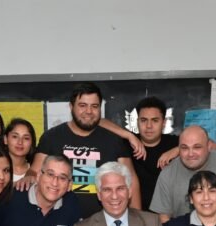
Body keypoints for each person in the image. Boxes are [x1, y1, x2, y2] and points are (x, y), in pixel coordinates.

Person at [27, 82, 142, 217]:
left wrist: (137, 219)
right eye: (82, 105)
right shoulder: (52, 137)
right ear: (71, 106)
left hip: (102, 225)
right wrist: (28, 176)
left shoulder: (114, 140)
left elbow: (131, 180)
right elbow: (35, 171)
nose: (88, 111)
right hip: (58, 221)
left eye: (94, 106)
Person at [150, 125, 216, 222]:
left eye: (197, 147)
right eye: (184, 148)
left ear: (208, 146)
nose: (190, 154)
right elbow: (163, 217)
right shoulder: (168, 174)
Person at [130, 96, 179, 210]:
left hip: (168, 215)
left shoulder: (174, 142)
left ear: (164, 122)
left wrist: (178, 149)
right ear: (137, 122)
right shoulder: (128, 143)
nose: (149, 126)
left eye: (155, 120)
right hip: (136, 216)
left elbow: (210, 145)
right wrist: (128, 135)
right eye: (143, 120)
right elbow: (100, 122)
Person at [4, 117, 36, 182]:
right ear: (5, 139)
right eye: (15, 137)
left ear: (32, 142)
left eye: (26, 138)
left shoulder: (37, 171)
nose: (20, 142)